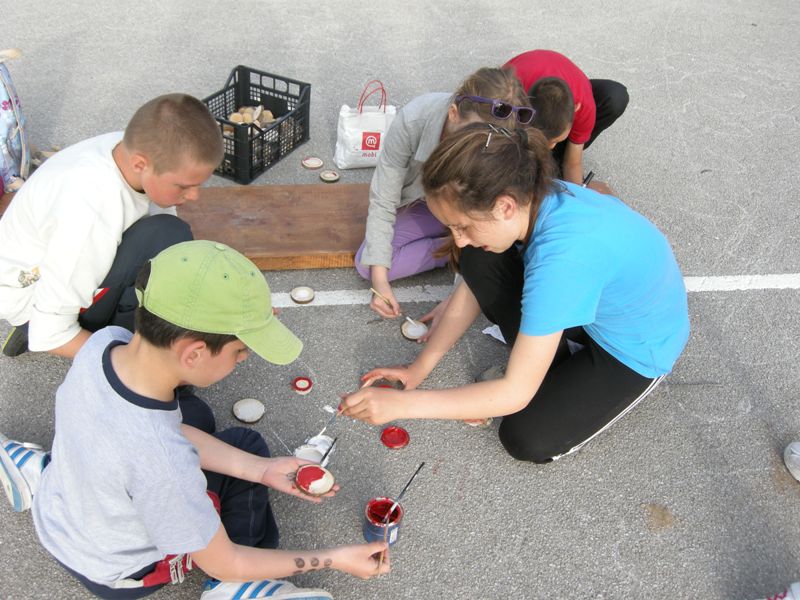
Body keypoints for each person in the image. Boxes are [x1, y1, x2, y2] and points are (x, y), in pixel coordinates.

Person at [0, 240, 388, 599]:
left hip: (63, 512)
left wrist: (262, 470)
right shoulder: (164, 464)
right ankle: (233, 592)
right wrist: (336, 558)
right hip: (121, 571)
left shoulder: (106, 343)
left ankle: (38, 470)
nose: (243, 359)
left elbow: (154, 433)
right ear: (194, 353)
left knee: (202, 422)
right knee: (238, 449)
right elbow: (225, 560)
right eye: (239, 352)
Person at [341, 123, 690, 463]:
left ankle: (561, 370)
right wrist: (418, 368)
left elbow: (514, 393)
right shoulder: (531, 195)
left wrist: (402, 405)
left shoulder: (563, 260)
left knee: (526, 437)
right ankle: (551, 364)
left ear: (505, 207)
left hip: (632, 348)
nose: (457, 238)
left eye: (462, 225)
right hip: (594, 299)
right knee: (477, 256)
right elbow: (472, 287)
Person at [0, 93, 223, 360]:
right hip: (36, 306)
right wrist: (136, 365)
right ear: (140, 164)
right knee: (166, 238)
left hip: (44, 274)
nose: (195, 196)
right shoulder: (92, 210)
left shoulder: (133, 150)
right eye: (184, 186)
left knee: (171, 244)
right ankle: (119, 343)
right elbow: (50, 333)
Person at [355, 67, 532, 334]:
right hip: (429, 206)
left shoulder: (502, 137)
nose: (472, 147)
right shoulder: (414, 119)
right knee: (368, 265)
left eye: (482, 141)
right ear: (453, 113)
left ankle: (458, 246)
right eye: (469, 134)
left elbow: (490, 217)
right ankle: (452, 247)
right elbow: (384, 198)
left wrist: (456, 301)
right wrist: (379, 282)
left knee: (482, 243)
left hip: (471, 213)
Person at [503, 49, 629, 194]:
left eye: (556, 141)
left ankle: (547, 163)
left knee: (615, 96)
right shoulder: (506, 99)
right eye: (549, 141)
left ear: (575, 109)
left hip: (565, 83)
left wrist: (578, 195)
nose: (551, 147)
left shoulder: (584, 106)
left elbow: (572, 164)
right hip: (519, 90)